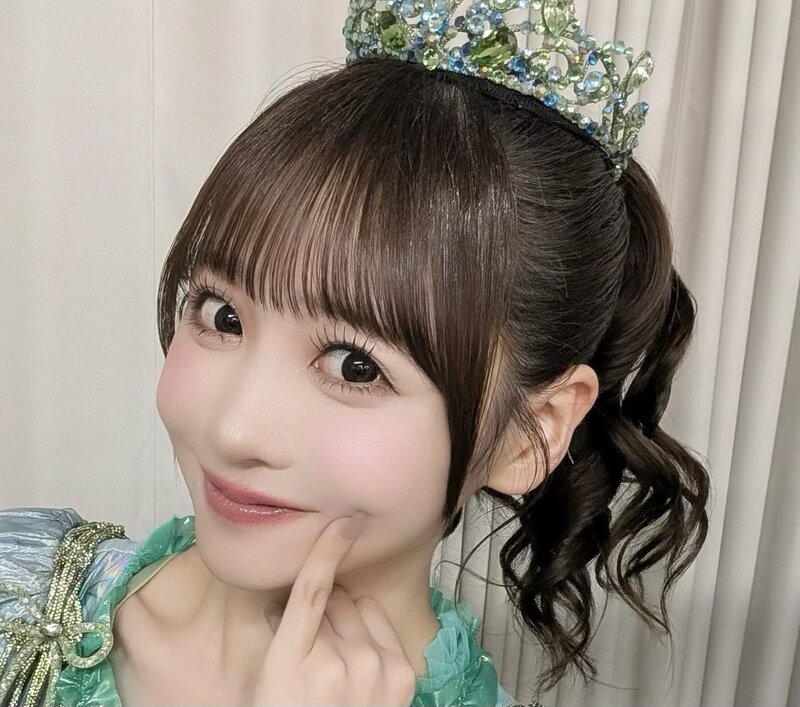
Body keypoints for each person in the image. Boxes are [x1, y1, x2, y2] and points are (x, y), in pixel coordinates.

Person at [0, 1, 711, 705]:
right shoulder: (22, 592)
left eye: (354, 366)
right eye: (223, 316)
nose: (233, 429)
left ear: (534, 432)